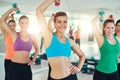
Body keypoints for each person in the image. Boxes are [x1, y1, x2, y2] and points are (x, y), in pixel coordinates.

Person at [36, 0, 85, 80]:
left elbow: (82, 55)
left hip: (71, 77)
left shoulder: (70, 41)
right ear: (54, 23)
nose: (62, 24)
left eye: (65, 22)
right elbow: (39, 11)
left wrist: (79, 67)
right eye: (59, 22)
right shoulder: (49, 37)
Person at [0, 7, 39, 80]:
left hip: (26, 67)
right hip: (14, 66)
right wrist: (12, 9)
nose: (24, 25)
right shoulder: (14, 34)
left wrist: (33, 60)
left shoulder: (32, 36)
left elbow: (37, 49)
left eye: (26, 22)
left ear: (29, 24)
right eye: (22, 23)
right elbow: (2, 20)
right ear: (19, 24)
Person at [92, 15, 120, 80]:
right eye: (108, 28)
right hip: (101, 73)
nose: (110, 30)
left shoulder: (116, 38)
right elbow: (93, 23)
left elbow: (117, 53)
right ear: (104, 28)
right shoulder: (101, 39)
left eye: (112, 28)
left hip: (114, 72)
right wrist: (100, 15)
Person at [0, 8, 16, 80]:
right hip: (8, 60)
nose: (12, 27)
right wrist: (11, 10)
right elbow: (1, 21)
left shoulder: (17, 34)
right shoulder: (5, 34)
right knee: (8, 78)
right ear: (7, 26)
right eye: (10, 25)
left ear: (16, 26)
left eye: (13, 25)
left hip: (16, 60)